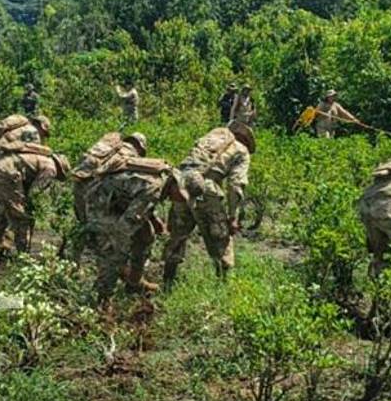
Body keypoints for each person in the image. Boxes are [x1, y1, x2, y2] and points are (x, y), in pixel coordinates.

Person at [162, 122, 254, 287]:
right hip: (206, 188)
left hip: (181, 183)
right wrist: (233, 216)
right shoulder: (242, 150)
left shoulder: (209, 139)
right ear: (246, 140)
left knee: (177, 235)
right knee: (221, 239)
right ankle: (224, 287)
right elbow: (236, 185)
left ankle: (167, 282)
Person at [86, 156, 184, 300]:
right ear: (175, 185)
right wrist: (121, 252)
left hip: (118, 202)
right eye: (182, 196)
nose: (180, 200)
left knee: (146, 235)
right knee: (115, 251)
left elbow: (136, 197)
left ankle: (134, 283)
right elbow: (124, 228)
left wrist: (153, 218)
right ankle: (102, 296)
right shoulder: (155, 188)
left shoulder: (164, 179)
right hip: (100, 204)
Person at [0, 142, 70, 255]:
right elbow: (35, 191)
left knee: (4, 208)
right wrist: (32, 208)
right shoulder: (50, 168)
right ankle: (22, 254)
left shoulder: (42, 159)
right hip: (7, 174)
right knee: (22, 217)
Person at [70, 131, 146, 260]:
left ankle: (70, 261)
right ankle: (95, 262)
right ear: (140, 146)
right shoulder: (131, 156)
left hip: (81, 186)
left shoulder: (109, 149)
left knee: (83, 224)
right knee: (101, 232)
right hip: (98, 194)